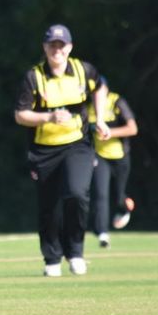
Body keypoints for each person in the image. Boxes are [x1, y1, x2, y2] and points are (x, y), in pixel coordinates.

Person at [14, 24, 110, 277]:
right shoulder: (33, 77)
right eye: (52, 45)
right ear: (45, 47)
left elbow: (100, 88)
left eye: (61, 45)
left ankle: (76, 252)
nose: (57, 49)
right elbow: (21, 115)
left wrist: (99, 119)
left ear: (69, 47)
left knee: (77, 194)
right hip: (43, 150)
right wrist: (48, 118)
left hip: (77, 144)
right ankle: (52, 258)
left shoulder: (83, 70)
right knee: (49, 206)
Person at [89, 82, 138, 248]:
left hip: (119, 156)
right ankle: (102, 233)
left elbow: (133, 129)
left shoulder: (117, 102)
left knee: (118, 196)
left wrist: (110, 133)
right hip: (99, 156)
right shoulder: (87, 106)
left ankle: (124, 206)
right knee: (100, 194)